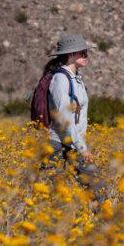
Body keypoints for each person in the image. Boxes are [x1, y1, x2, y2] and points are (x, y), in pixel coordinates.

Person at [39, 34, 107, 203]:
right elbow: (64, 118)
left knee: (97, 186)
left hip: (72, 143)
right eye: (82, 53)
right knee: (51, 198)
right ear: (71, 55)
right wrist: (82, 148)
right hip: (56, 144)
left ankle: (102, 224)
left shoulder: (76, 79)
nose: (86, 56)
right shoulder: (60, 79)